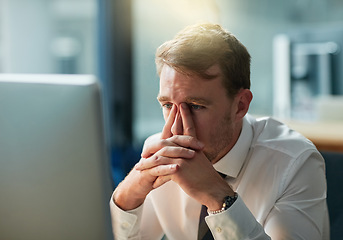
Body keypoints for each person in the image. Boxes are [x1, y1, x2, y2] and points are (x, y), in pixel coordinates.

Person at [110, 23, 329, 239]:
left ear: (240, 105)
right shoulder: (163, 153)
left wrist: (218, 198)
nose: (176, 128)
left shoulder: (295, 162)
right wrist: (127, 195)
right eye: (168, 106)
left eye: (196, 106)